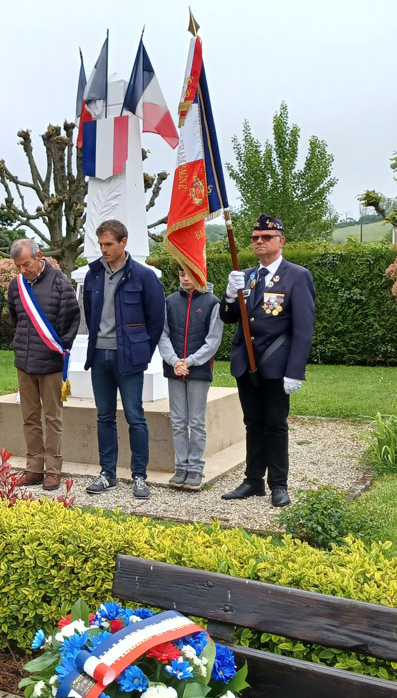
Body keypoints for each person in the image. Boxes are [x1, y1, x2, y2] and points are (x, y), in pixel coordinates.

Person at [219, 214, 316, 507]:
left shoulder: (297, 276)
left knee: (275, 424)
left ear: (281, 241)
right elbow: (229, 318)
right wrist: (228, 295)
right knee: (252, 423)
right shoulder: (247, 276)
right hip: (245, 363)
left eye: (266, 237)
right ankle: (252, 481)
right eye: (255, 238)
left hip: (276, 364)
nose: (259, 242)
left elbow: (303, 328)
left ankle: (278, 484)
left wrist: (295, 371)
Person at [82, 219, 165, 500]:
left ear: (123, 242)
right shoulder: (93, 274)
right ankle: (107, 473)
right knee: (104, 416)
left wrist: (141, 350)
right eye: (100, 244)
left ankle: (139, 476)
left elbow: (156, 320)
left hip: (129, 358)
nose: (103, 249)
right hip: (99, 356)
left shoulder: (143, 276)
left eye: (108, 244)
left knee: (135, 416)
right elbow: (90, 313)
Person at [7, 239, 81, 490]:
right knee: (29, 417)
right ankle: (34, 468)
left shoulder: (60, 282)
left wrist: (58, 349)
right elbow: (16, 318)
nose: (22, 270)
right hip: (24, 362)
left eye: (26, 264)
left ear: (39, 256)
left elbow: (71, 321)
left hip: (50, 363)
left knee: (52, 418)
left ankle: (53, 470)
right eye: (18, 266)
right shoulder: (16, 285)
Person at [158, 265, 223, 491]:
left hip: (198, 370)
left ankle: (195, 468)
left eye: (190, 274)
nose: (185, 279)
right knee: (178, 422)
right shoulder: (170, 302)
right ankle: (181, 467)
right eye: (181, 274)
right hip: (175, 368)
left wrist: (190, 361)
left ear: (201, 274)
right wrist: (174, 361)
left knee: (196, 422)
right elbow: (163, 334)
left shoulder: (213, 303)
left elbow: (213, 340)